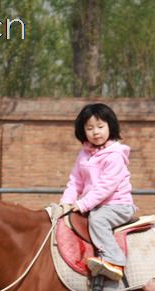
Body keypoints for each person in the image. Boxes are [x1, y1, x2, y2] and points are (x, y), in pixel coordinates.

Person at [60, 103, 136, 281]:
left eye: (101, 127)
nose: (96, 132)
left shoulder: (115, 155)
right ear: (83, 131)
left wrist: (82, 204)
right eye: (90, 128)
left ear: (111, 126)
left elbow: (105, 187)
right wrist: (65, 203)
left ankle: (114, 260)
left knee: (98, 219)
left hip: (117, 205)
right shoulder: (84, 155)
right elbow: (75, 182)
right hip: (94, 206)